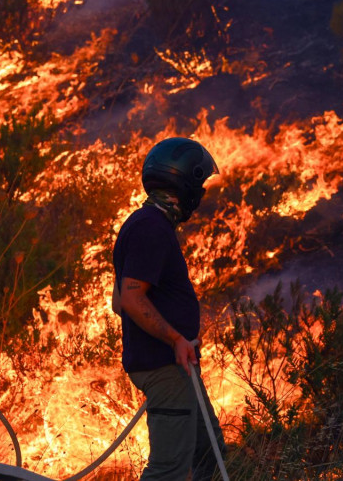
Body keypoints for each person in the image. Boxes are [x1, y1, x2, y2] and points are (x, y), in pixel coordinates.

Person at [112, 137, 227, 481]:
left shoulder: (144, 223)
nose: (200, 195)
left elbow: (119, 301)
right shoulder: (151, 229)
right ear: (184, 183)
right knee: (169, 470)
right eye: (199, 185)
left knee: (210, 453)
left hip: (177, 365)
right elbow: (131, 300)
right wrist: (176, 337)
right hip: (166, 366)